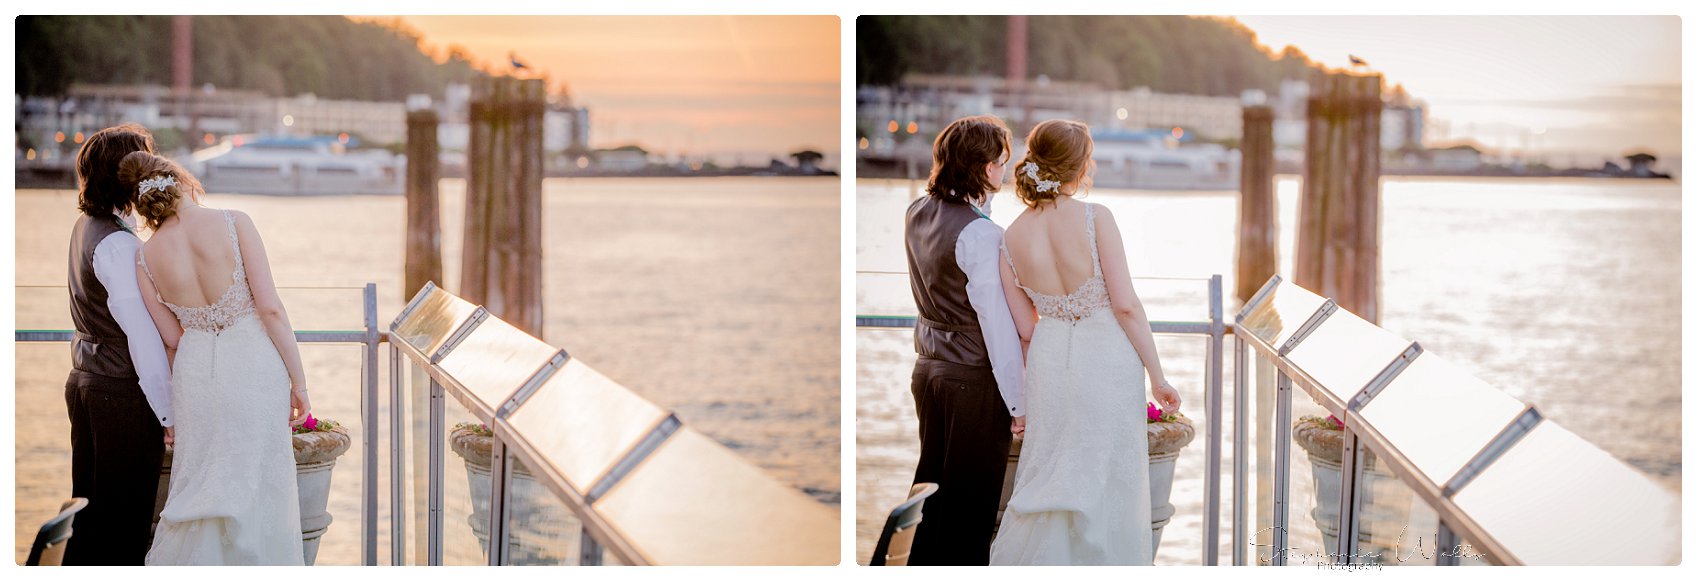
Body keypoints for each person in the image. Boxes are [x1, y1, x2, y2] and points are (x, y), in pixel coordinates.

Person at [989, 119, 1183, 565]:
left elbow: (1025, 329)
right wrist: (1158, 376)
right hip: (1106, 357)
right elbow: (1127, 306)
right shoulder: (1097, 218)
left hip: (1049, 360)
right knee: (1107, 470)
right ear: (1078, 165)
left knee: (1051, 466)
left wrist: (1022, 399)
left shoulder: (1009, 239)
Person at [120, 151, 310, 565]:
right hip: (252, 364)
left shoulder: (144, 258)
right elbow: (271, 309)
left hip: (195, 373)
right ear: (180, 178)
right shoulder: (234, 221)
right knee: (257, 481)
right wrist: (299, 382)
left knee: (200, 480)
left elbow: (172, 337)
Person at [902, 115, 1026, 565]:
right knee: (970, 509)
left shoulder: (916, 211)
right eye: (999, 162)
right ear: (982, 167)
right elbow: (995, 325)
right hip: (971, 381)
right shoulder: (982, 234)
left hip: (927, 371)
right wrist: (1019, 403)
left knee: (929, 497)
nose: (1004, 171)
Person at [61, 124, 175, 565]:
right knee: (122, 526)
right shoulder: (118, 245)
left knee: (89, 518)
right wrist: (168, 412)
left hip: (85, 381)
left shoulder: (84, 227)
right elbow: (142, 337)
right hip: (119, 396)